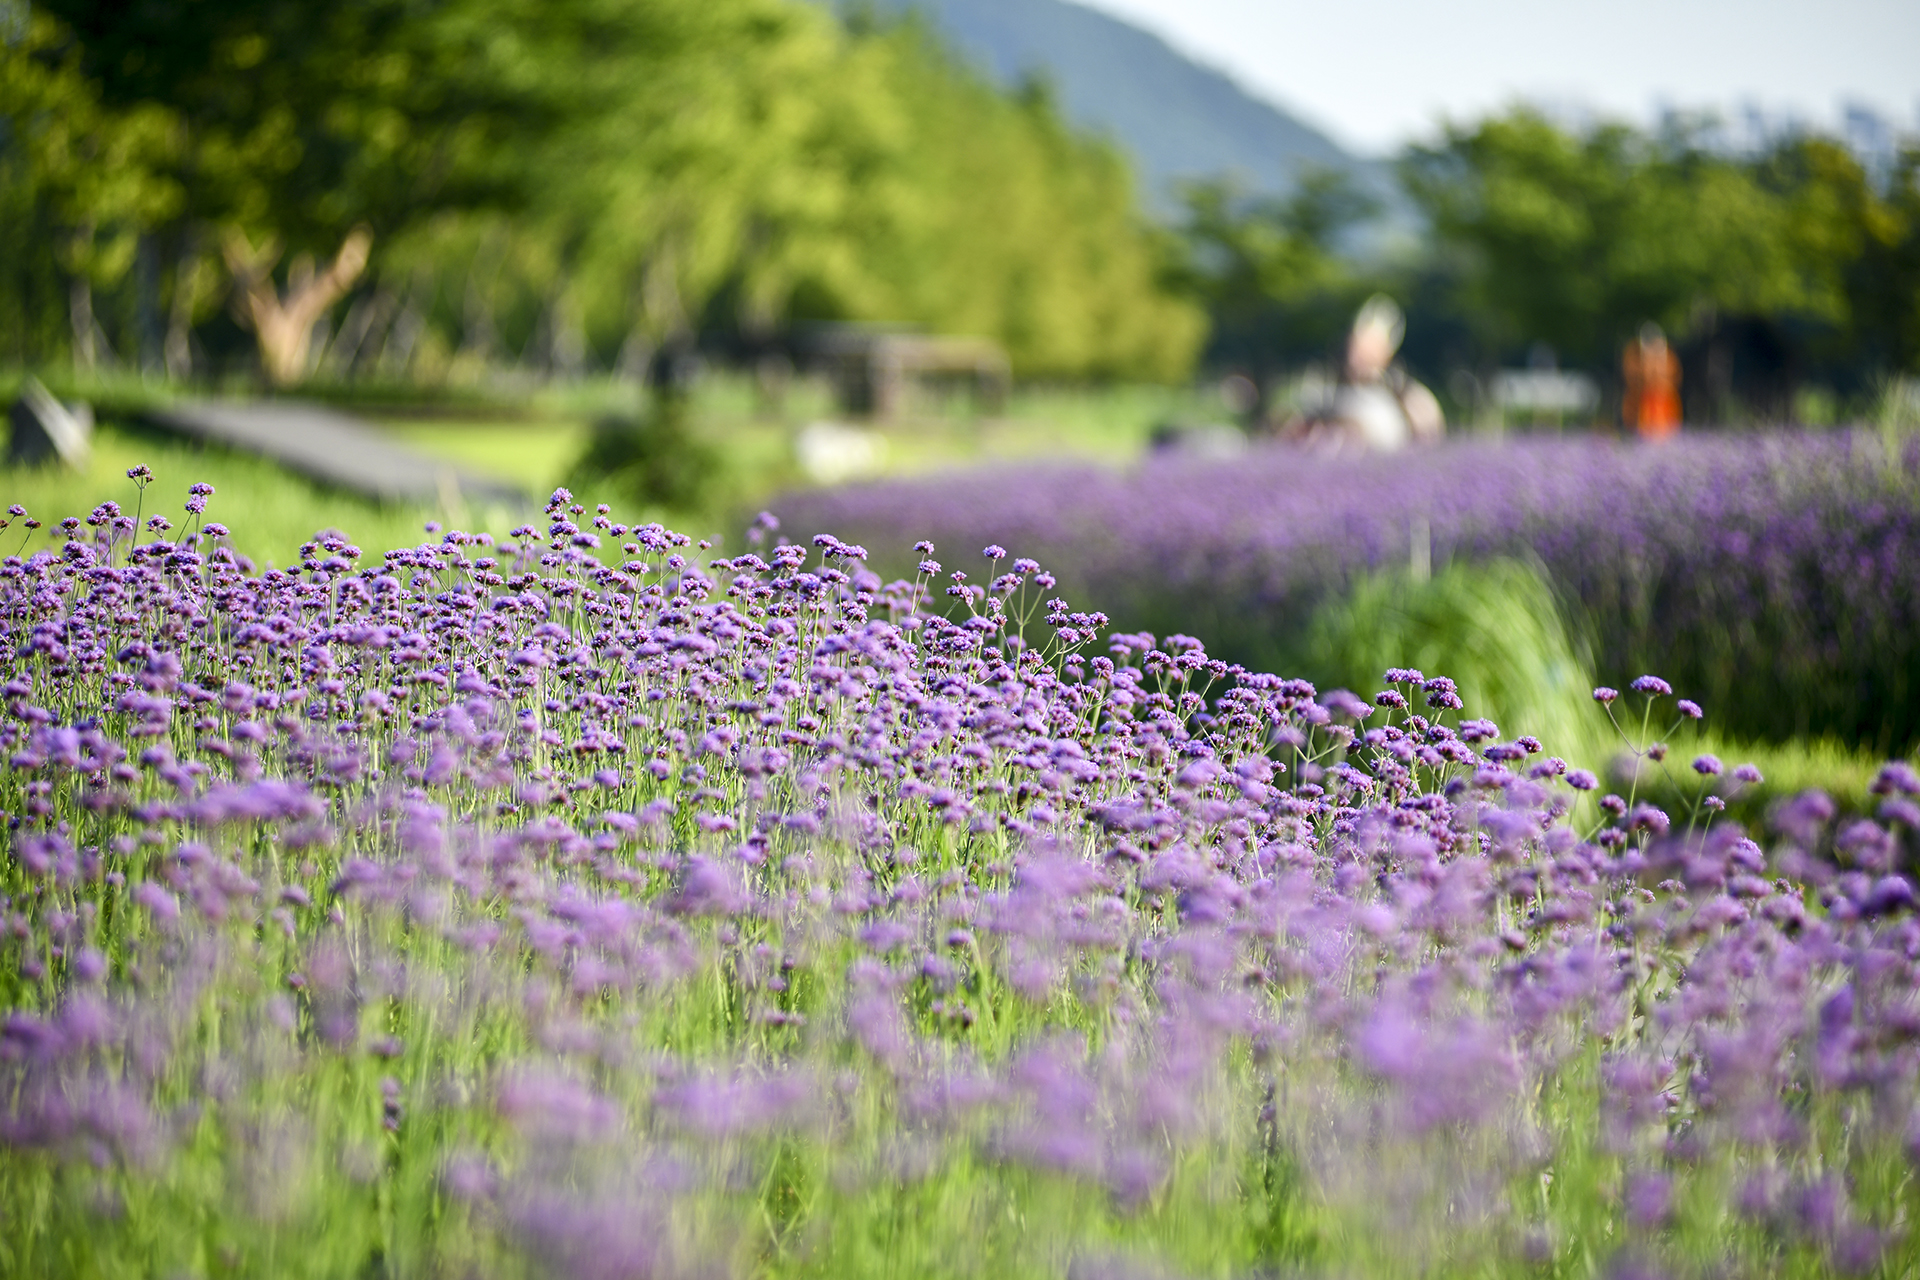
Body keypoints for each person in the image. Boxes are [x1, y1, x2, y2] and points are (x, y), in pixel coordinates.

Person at [1280, 295, 1444, 451]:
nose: (1356, 356)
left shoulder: (1408, 395)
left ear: (1387, 352)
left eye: (1368, 348)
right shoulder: (1327, 390)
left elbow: (1429, 436)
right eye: (1354, 346)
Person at [1623, 322, 1681, 439]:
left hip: (1661, 398)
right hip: (1645, 398)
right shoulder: (1635, 356)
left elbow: (1673, 375)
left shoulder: (1668, 358)